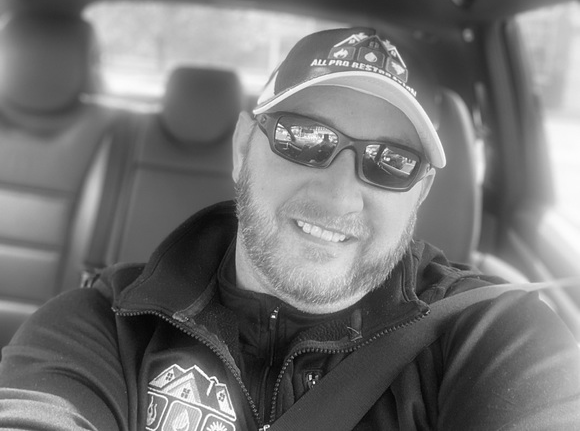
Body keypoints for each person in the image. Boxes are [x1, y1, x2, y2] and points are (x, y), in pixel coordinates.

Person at [0, 27, 579, 430]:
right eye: (305, 138)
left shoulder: (491, 336)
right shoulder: (107, 325)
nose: (339, 195)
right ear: (242, 148)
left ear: (421, 192)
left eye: (390, 161)